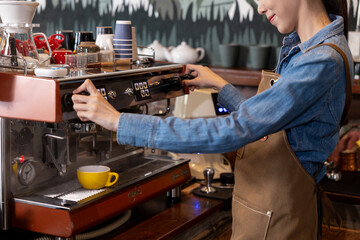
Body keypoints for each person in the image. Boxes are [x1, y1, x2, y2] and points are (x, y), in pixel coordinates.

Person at [72, 0, 353, 239]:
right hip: (268, 215)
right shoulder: (309, 49)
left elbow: (239, 128)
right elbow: (268, 125)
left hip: (278, 223)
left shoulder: (319, 61)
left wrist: (119, 122)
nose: (259, 8)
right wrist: (221, 85)